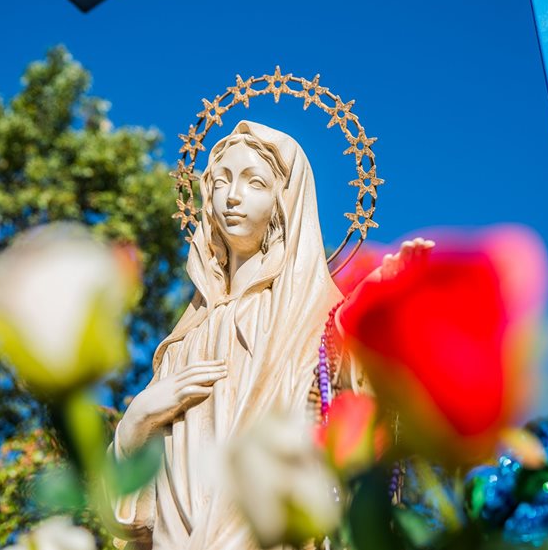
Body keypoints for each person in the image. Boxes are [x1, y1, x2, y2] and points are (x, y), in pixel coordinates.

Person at [111, 120, 428, 550]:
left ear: (285, 201)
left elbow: (363, 415)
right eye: (220, 182)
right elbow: (133, 517)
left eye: (254, 182)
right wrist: (137, 419)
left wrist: (388, 313)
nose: (232, 197)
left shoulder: (314, 316)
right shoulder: (182, 344)